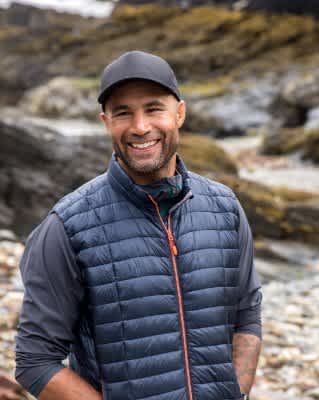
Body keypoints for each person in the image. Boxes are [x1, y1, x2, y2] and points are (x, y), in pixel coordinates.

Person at [15, 50, 262, 400]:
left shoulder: (225, 207)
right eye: (123, 113)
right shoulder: (66, 226)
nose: (140, 127)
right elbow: (36, 362)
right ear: (105, 121)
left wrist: (236, 391)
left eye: (153, 109)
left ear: (180, 113)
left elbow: (247, 313)